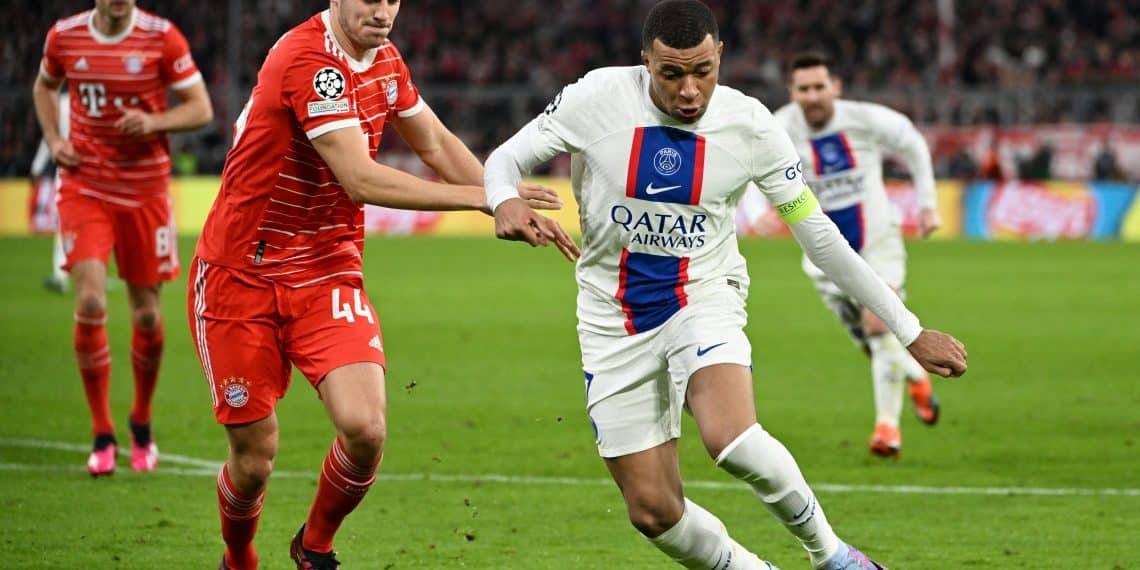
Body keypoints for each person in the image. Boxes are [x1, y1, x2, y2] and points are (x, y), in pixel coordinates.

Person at [485, 1, 966, 568]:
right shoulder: (595, 99)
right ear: (645, 64)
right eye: (671, 74)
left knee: (729, 437)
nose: (690, 91)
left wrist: (908, 330)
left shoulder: (752, 126)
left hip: (702, 293)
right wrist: (505, 200)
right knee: (652, 510)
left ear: (720, 57)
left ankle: (833, 557)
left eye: (703, 71)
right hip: (609, 317)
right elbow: (506, 158)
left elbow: (821, 237)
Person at [187, 1, 573, 568]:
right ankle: (238, 554)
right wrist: (485, 199)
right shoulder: (309, 59)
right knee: (254, 459)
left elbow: (436, 145)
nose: (382, 9)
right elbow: (360, 177)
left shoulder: (385, 62)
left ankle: (313, 547)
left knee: (365, 429)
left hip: (325, 269)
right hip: (240, 274)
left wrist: (505, 192)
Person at [33, 0, 214, 476]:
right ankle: (102, 433)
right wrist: (54, 139)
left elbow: (201, 108)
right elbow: (44, 87)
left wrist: (155, 121)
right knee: (91, 302)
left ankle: (141, 421)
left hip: (145, 192)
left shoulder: (162, 37)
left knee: (147, 313)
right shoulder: (64, 36)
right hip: (85, 186)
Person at [766, 51, 944, 458]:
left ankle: (887, 429)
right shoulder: (778, 127)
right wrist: (758, 211)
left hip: (877, 242)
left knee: (881, 327)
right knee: (872, 343)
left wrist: (928, 204)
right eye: (803, 89)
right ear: (792, 92)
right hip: (821, 253)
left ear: (836, 87)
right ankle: (916, 376)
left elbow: (914, 143)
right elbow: (752, 166)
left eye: (819, 87)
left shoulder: (864, 118)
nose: (812, 96)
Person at [29, 91, 70, 293]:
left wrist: (37, 168)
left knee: (64, 225)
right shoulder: (100, 99)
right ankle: (97, 272)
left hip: (68, 170)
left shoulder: (60, 104)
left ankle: (60, 275)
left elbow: (49, 138)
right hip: (99, 172)